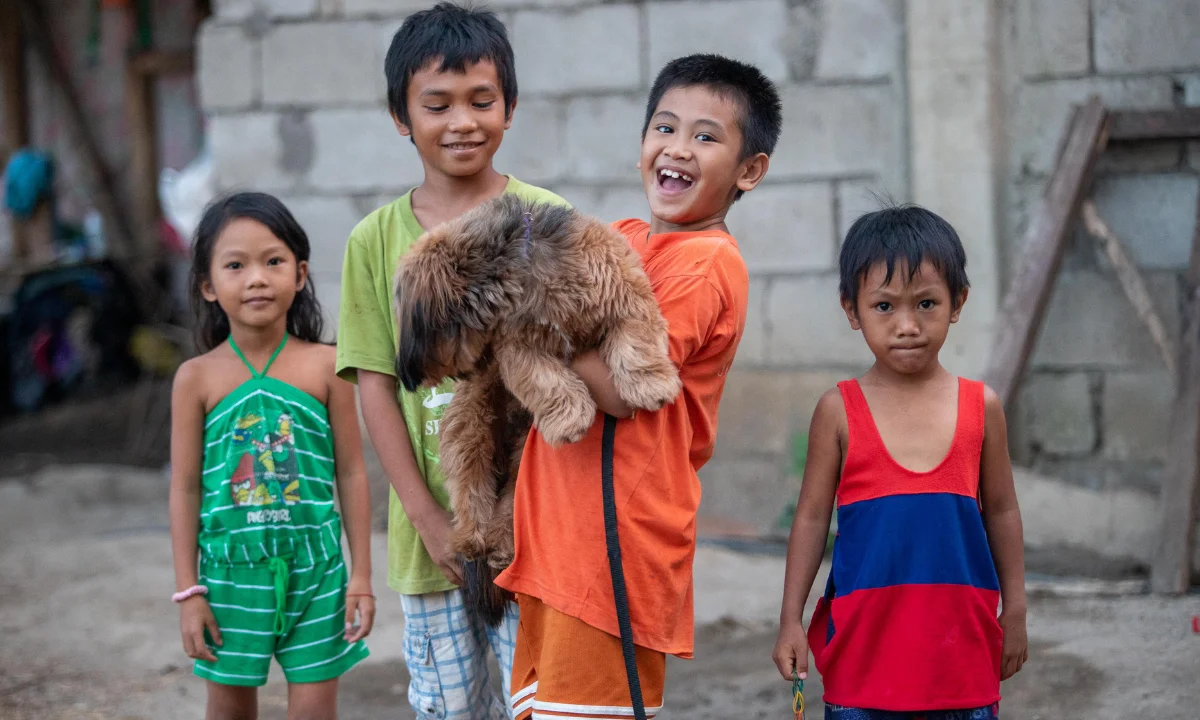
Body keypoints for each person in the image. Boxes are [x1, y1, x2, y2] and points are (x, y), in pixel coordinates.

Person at [494, 53, 780, 719]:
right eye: (665, 127)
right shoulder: (621, 239)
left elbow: (627, 388)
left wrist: (530, 315)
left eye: (706, 137)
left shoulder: (707, 265)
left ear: (750, 170)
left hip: (609, 560)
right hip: (554, 548)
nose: (677, 149)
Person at [334, 3, 568, 718]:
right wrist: (428, 518)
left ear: (511, 107)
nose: (462, 120)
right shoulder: (374, 242)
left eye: (481, 100)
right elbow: (374, 384)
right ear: (402, 117)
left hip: (537, 531)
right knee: (450, 706)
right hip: (428, 542)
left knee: (541, 701)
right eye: (437, 104)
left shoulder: (543, 218)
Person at [771, 206, 1029, 719]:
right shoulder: (838, 410)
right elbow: (811, 516)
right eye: (884, 306)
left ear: (958, 303)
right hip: (862, 666)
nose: (907, 326)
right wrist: (791, 619)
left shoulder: (983, 408)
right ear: (852, 310)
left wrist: (1016, 610)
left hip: (962, 662)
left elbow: (1000, 510)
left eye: (926, 303)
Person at [169, 192, 374, 718]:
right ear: (208, 286)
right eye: (236, 265)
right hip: (229, 578)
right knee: (230, 710)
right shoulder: (195, 379)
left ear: (300, 274)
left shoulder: (328, 367)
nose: (257, 278)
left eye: (273, 261)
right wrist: (189, 591)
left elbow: (351, 472)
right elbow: (185, 487)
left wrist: (361, 577)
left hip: (317, 570)